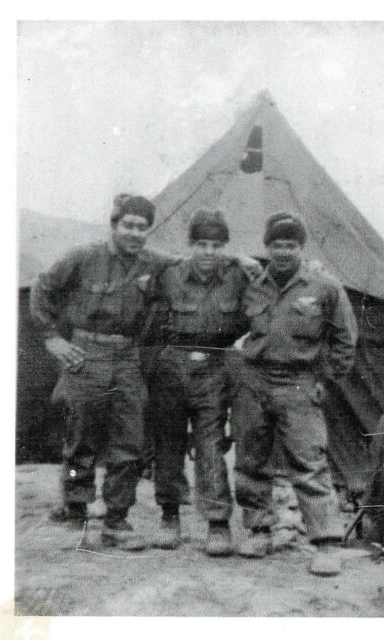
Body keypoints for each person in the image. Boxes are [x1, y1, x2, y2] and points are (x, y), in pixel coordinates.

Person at [30, 194, 171, 546]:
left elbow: (190, 265)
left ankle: (117, 520)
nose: (135, 233)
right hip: (86, 352)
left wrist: (243, 261)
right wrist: (52, 339)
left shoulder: (154, 263)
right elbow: (41, 288)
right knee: (81, 437)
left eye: (142, 227)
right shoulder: (84, 257)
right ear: (114, 225)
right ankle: (75, 511)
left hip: (127, 357)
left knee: (129, 441)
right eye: (128, 225)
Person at [232, 212, 358, 575]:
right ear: (267, 247)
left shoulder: (324, 286)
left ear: (301, 247)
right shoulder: (254, 284)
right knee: (251, 459)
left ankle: (326, 544)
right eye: (276, 245)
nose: (283, 251)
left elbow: (344, 339)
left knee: (309, 462)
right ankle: (258, 530)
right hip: (255, 380)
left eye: (290, 245)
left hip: (300, 382)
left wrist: (327, 379)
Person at [150, 209, 258, 556]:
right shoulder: (169, 276)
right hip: (172, 366)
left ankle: (217, 523)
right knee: (168, 444)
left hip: (214, 367)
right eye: (201, 245)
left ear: (224, 247)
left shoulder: (238, 276)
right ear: (190, 245)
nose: (208, 252)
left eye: (216, 245)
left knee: (210, 445)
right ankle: (169, 516)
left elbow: (264, 298)